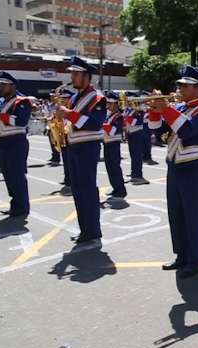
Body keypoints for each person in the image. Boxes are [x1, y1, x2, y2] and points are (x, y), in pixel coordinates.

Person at [148, 65, 198, 278]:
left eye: (185, 85)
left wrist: (166, 108)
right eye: (180, 85)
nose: (180, 88)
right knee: (175, 215)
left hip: (192, 169)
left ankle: (195, 260)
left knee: (192, 217)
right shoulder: (182, 108)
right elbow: (156, 130)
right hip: (174, 167)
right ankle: (181, 255)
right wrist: (154, 109)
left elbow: (187, 131)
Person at [55, 56, 107, 243]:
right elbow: (73, 121)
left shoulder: (98, 98)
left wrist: (69, 114)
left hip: (88, 147)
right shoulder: (75, 97)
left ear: (87, 76)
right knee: (77, 190)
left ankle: (93, 229)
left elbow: (94, 123)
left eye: (76, 73)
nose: (72, 77)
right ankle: (85, 229)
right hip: (73, 147)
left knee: (86, 189)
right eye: (72, 73)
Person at [0, 72, 31, 217]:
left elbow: (21, 121)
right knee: (8, 176)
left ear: (12, 86)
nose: (0, 87)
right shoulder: (1, 102)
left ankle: (22, 206)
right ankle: (15, 204)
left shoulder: (22, 101)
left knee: (17, 176)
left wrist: (0, 116)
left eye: (3, 84)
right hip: (3, 142)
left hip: (16, 143)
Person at [102, 91, 127, 200]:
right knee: (110, 169)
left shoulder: (118, 116)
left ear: (115, 104)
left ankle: (120, 191)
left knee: (115, 168)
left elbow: (113, 130)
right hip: (107, 144)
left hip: (114, 144)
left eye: (109, 103)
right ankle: (115, 189)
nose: (107, 105)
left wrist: (101, 124)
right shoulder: (109, 115)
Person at [123, 94, 149, 185]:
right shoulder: (130, 109)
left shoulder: (139, 109)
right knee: (133, 155)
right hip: (131, 133)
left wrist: (126, 118)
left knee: (137, 155)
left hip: (137, 133)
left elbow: (136, 122)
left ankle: (137, 175)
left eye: (129, 99)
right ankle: (134, 173)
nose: (128, 101)